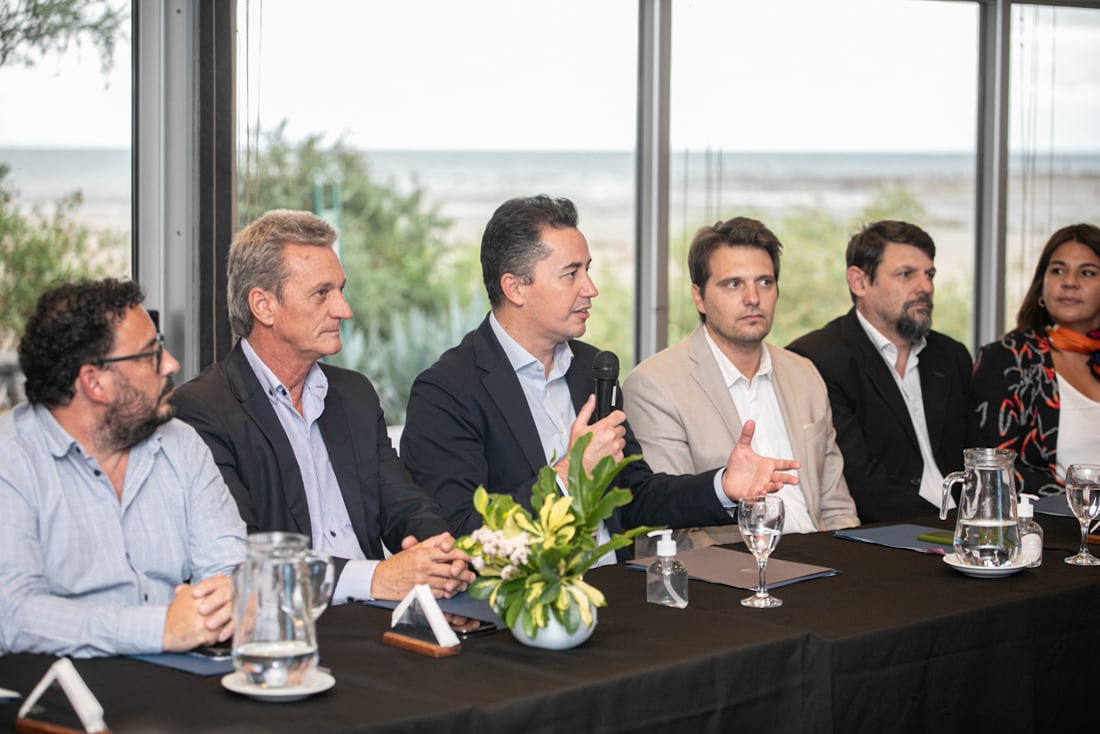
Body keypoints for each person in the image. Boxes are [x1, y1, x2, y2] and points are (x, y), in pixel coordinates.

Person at [400, 195, 800, 555]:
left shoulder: (592, 370)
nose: (591, 288)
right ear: (515, 288)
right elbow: (463, 537)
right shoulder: (447, 392)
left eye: (588, 270)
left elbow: (635, 498)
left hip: (620, 593)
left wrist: (722, 486)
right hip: (525, 613)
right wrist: (566, 480)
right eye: (571, 273)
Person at [173, 209, 474, 604]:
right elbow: (243, 561)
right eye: (322, 294)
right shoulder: (202, 410)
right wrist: (377, 578)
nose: (343, 310)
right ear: (263, 306)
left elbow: (406, 504)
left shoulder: (354, 395)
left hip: (379, 619)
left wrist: (441, 560)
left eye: (341, 290)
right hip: (289, 627)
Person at [0, 279, 246, 658]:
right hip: (61, 693)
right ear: (94, 381)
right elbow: (15, 616)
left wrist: (230, 597)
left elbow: (232, 568)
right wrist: (160, 628)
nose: (171, 364)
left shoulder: (181, 443)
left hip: (183, 680)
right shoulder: (11, 461)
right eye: (151, 354)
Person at [623, 216, 858, 548]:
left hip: (823, 561)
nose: (753, 298)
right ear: (699, 297)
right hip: (732, 574)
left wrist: (848, 566)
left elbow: (836, 505)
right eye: (733, 284)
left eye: (765, 282)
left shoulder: (805, 373)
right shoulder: (654, 385)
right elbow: (672, 527)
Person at [787, 220, 974, 524]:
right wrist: (949, 527)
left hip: (964, 530)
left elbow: (973, 460)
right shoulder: (818, 359)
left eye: (929, 274)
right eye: (906, 274)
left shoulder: (951, 356)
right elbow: (859, 483)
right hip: (881, 537)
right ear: (859, 281)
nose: (925, 287)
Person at [971, 223, 1100, 495]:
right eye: (1057, 270)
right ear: (1042, 285)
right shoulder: (1007, 358)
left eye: (1087, 272)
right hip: (1048, 528)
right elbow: (992, 469)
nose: (1069, 281)